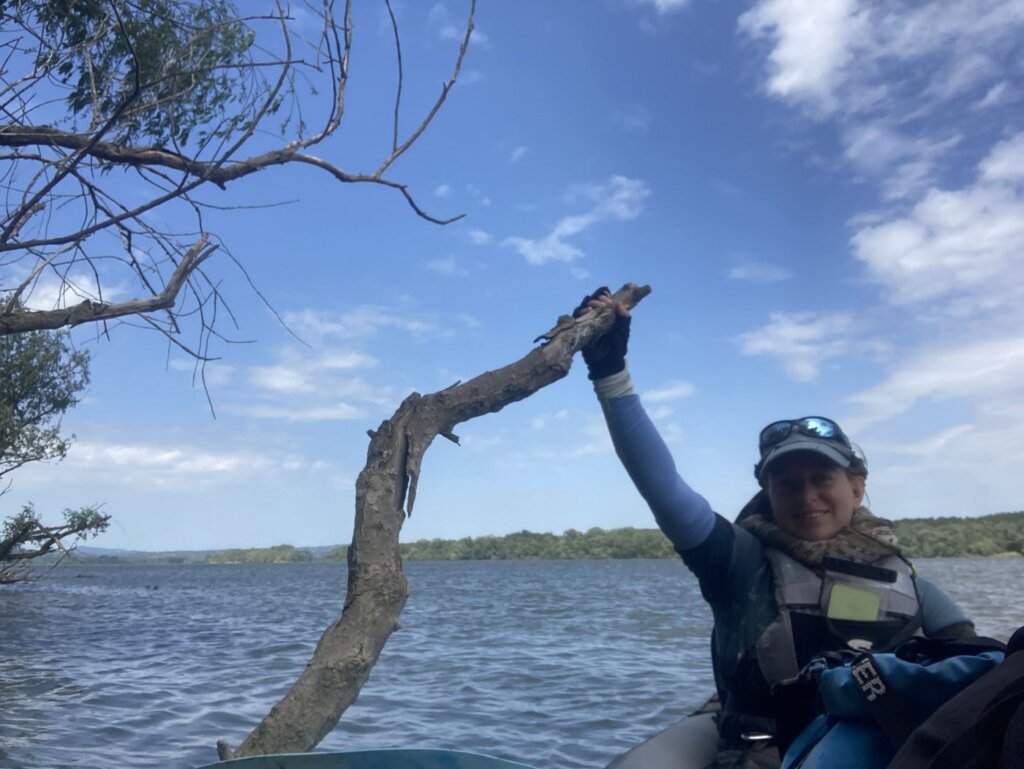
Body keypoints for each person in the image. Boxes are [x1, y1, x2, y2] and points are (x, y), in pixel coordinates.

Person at [576, 289, 975, 769]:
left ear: (857, 486)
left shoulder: (913, 587)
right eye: (786, 483)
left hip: (865, 740)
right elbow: (663, 488)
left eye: (821, 479)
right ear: (767, 491)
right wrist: (610, 375)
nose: (806, 496)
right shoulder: (736, 559)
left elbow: (976, 672)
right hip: (745, 739)